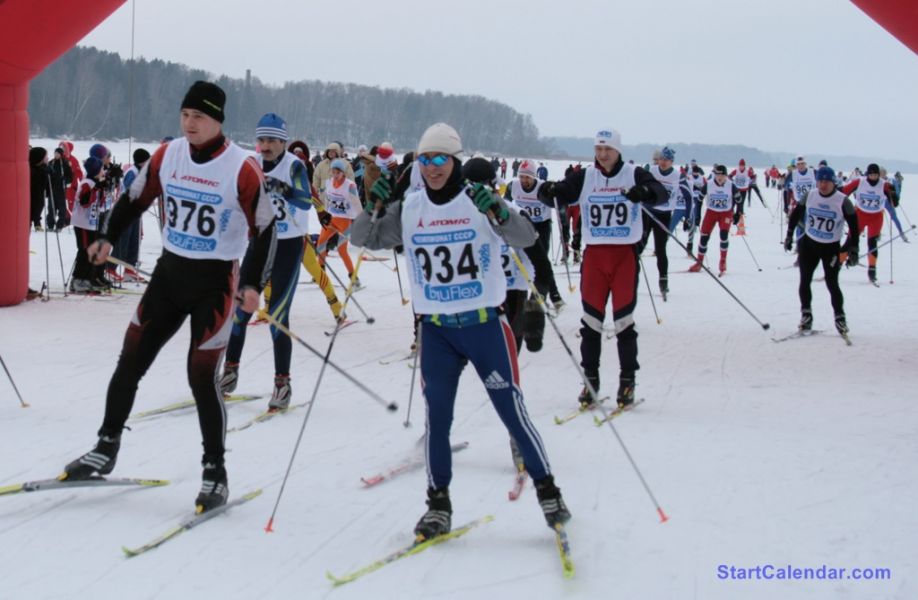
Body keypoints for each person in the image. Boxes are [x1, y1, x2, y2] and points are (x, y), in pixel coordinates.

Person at [61, 81, 276, 514]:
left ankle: (215, 472)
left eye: (199, 117)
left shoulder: (242, 167)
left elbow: (266, 228)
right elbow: (134, 198)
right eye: (184, 115)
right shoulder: (168, 154)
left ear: (217, 120)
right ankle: (106, 446)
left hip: (214, 285)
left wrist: (252, 285)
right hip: (168, 277)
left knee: (200, 378)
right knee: (130, 360)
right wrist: (106, 236)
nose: (189, 123)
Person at [351, 122, 571, 539]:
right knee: (438, 421)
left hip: (483, 325)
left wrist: (501, 211)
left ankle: (549, 492)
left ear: (455, 161)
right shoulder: (411, 207)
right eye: (426, 159)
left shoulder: (479, 201)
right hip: (437, 332)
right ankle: (438, 505)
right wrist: (373, 206)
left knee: (512, 411)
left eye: (442, 160)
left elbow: (526, 238)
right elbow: (362, 240)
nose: (433, 167)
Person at [539, 128, 667, 408]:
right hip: (595, 257)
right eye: (598, 149)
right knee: (591, 322)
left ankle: (627, 382)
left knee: (623, 322)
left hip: (624, 257)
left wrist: (643, 192)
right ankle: (590, 381)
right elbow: (558, 194)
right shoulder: (587, 177)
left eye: (607, 149)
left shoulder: (633, 174)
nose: (602, 154)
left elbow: (659, 193)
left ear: (618, 150)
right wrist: (546, 190)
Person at [221, 113, 318, 410]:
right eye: (261, 140)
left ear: (283, 142)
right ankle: (230, 373)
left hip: (288, 246)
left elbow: (305, 199)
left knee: (277, 316)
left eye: (272, 141)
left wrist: (283, 188)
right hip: (259, 243)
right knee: (240, 311)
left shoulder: (295, 165)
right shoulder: (250, 164)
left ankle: (282, 384)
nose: (265, 146)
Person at [785, 166, 858, 335]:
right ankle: (806, 315)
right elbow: (795, 214)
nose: (823, 185)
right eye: (820, 181)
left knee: (832, 283)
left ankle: (840, 319)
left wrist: (853, 249)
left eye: (826, 182)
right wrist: (789, 235)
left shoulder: (842, 200)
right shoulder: (810, 195)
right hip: (809, 245)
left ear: (833, 183)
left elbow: (854, 226)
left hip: (830, 248)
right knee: (805, 280)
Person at [503, 159, 564, 308]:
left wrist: (566, 232)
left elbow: (559, 207)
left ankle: (544, 296)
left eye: (527, 177)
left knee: (541, 260)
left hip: (542, 225)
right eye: (521, 176)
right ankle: (554, 296)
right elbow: (505, 204)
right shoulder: (513, 186)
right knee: (525, 260)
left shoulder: (542, 187)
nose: (524, 180)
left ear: (534, 176)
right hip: (524, 226)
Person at [839, 163, 897, 282]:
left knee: (872, 243)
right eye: (871, 175)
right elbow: (843, 191)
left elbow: (895, 203)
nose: (873, 177)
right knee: (849, 241)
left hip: (876, 217)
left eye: (875, 175)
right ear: (867, 174)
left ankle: (872, 271)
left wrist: (893, 194)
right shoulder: (860, 182)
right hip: (860, 215)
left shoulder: (884, 184)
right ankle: (835, 268)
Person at [646, 146, 687, 296]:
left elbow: (688, 196)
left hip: (663, 215)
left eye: (667, 160)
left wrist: (689, 218)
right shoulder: (651, 170)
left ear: (672, 161)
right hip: (648, 213)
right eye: (662, 159)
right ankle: (630, 278)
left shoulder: (677, 176)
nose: (663, 162)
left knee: (660, 249)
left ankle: (663, 281)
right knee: (638, 246)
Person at [688, 164, 741, 275]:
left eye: (722, 175)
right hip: (711, 212)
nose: (719, 177)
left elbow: (739, 200)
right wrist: (697, 216)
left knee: (723, 235)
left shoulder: (731, 186)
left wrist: (737, 214)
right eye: (717, 174)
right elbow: (699, 201)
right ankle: (699, 262)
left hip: (726, 213)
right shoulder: (708, 185)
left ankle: (722, 261)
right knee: (704, 237)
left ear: (726, 176)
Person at [316, 158, 362, 285]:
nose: (335, 175)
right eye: (333, 172)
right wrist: (323, 212)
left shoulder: (350, 186)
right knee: (320, 244)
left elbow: (357, 204)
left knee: (342, 250)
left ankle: (354, 278)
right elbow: (326, 199)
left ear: (343, 173)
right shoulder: (329, 182)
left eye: (338, 173)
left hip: (344, 222)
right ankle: (320, 273)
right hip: (330, 219)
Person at [111, 148, 151, 282]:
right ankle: (110, 268)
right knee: (123, 241)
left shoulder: (142, 172)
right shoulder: (132, 172)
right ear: (141, 162)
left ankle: (129, 270)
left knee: (135, 240)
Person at [69, 156, 107, 293]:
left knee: (91, 251)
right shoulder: (87, 183)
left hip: (91, 223)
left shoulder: (94, 182)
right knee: (84, 251)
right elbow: (85, 201)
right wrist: (96, 188)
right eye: (101, 168)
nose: (103, 171)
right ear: (96, 170)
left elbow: (100, 203)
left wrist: (103, 187)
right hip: (83, 223)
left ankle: (86, 279)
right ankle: (78, 280)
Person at [47, 147, 72, 230]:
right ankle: (50, 225)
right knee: (51, 208)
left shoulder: (65, 163)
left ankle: (60, 225)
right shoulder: (51, 163)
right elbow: (47, 174)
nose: (56, 155)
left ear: (61, 155)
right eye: (55, 153)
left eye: (57, 154)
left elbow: (70, 176)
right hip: (52, 189)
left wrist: (66, 180)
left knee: (62, 209)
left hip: (61, 189)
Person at [29, 147, 50, 232]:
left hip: (39, 199)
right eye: (46, 156)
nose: (48, 158)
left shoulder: (43, 168)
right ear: (39, 158)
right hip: (31, 201)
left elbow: (48, 186)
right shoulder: (32, 171)